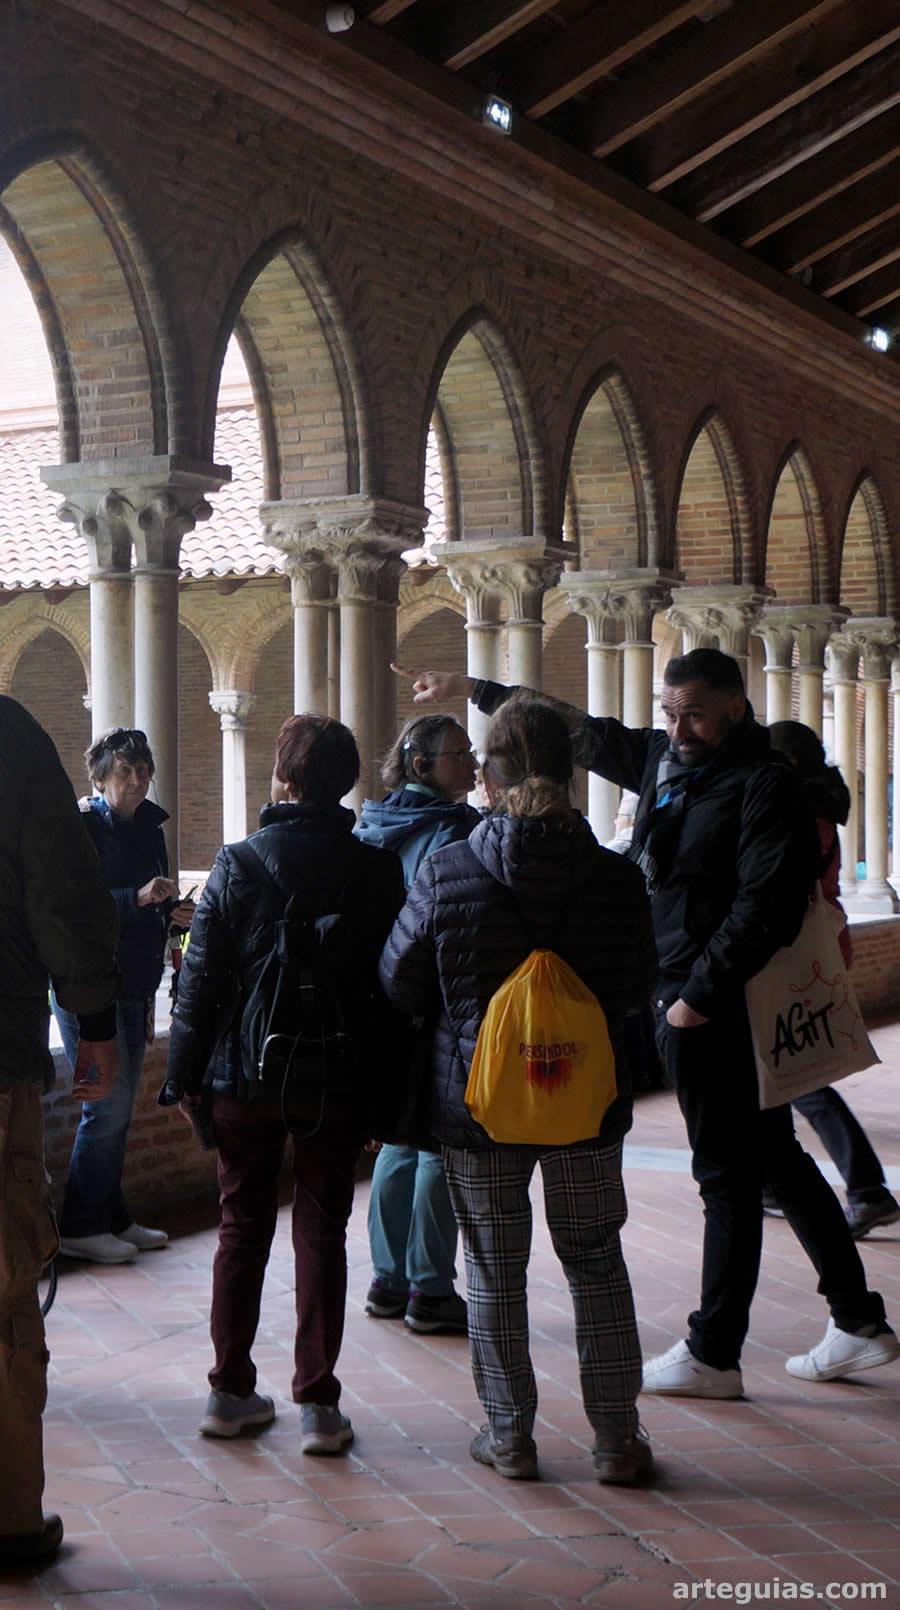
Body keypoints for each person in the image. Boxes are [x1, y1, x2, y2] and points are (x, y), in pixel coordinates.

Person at [393, 654, 899, 1394]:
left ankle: (715, 1352)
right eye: (669, 712)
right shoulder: (666, 759)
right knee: (776, 1157)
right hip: (686, 997)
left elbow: (766, 905)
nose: (678, 727)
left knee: (726, 1176)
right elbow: (579, 732)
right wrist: (473, 691)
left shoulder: (763, 787)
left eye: (693, 712)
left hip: (716, 1008)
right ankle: (857, 1320)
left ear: (735, 706)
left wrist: (697, 996)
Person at [380, 697, 657, 1483]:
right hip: (584, 1106)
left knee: (495, 1273)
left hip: (481, 1107)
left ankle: (509, 1437)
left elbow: (399, 980)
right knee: (596, 1262)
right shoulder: (612, 877)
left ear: (490, 780)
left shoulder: (448, 867)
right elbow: (638, 985)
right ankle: (615, 1440)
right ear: (567, 773)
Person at [160, 715, 406, 1452]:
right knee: (323, 1230)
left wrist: (184, 1083)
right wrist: (384, 1097)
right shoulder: (376, 869)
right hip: (334, 1079)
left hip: (246, 1072)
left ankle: (229, 1391)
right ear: (345, 782)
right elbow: (388, 994)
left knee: (242, 1228)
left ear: (285, 777)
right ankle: (319, 1407)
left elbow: (199, 983)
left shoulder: (238, 863)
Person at [0, 696, 120, 1565]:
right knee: (2, 1279)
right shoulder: (6, 736)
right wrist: (97, 1023)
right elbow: (63, 891)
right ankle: (7, 1514)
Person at [354, 713, 480, 1334]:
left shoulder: (371, 822)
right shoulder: (458, 830)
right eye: (461, 753)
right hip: (437, 1000)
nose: (474, 763)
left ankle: (387, 1280)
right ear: (423, 764)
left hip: (381, 1000)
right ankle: (429, 1289)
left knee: (399, 1138)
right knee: (437, 1141)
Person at [53, 728, 194, 1265]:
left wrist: (169, 910)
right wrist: (135, 898)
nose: (136, 780)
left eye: (142, 770)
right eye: (124, 771)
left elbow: (146, 903)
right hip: (88, 986)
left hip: (136, 982)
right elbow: (69, 907)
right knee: (103, 1106)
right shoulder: (82, 828)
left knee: (121, 1106)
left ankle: (112, 1216)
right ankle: (79, 1224)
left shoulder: (149, 828)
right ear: (99, 776)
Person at [766, 720, 900, 1240]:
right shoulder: (821, 805)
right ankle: (779, 1182)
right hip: (820, 943)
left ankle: (866, 1190)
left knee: (799, 1072)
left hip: (795, 952)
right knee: (788, 1071)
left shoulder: (795, 810)